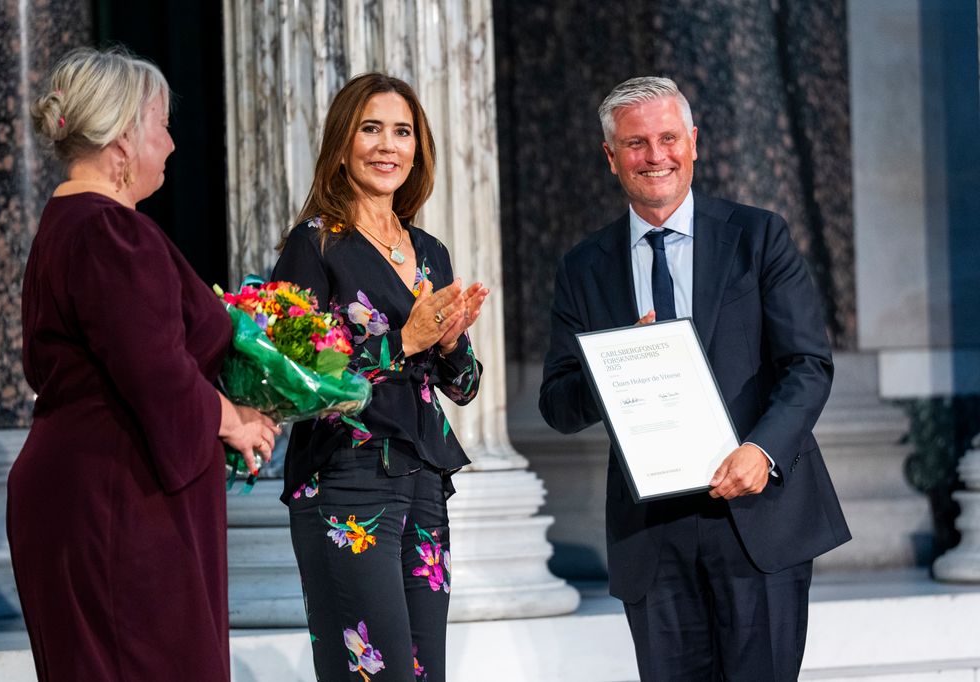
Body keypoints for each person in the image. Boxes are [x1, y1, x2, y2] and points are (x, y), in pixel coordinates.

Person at [539, 76, 851, 680]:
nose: (654, 156)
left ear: (694, 143)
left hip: (757, 516)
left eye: (667, 138)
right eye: (635, 143)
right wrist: (617, 362)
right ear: (611, 157)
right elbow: (558, 403)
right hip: (652, 535)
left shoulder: (759, 237)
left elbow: (807, 365)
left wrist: (763, 450)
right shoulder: (583, 268)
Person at [8, 47, 280, 681]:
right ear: (121, 139)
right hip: (119, 502)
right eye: (160, 124)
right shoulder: (110, 233)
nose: (172, 144)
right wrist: (234, 419)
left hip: (93, 490)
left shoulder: (68, 225)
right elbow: (153, 371)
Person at [272, 72, 488, 681]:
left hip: (425, 480)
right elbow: (296, 383)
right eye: (371, 129)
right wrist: (405, 339)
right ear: (343, 143)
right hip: (344, 479)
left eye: (402, 131)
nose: (387, 145)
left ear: (418, 148)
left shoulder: (430, 251)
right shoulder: (312, 246)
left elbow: (464, 386)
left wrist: (448, 343)